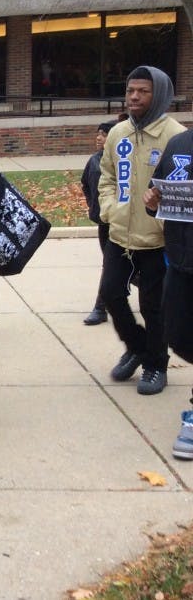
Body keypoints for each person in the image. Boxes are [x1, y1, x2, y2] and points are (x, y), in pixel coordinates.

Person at [99, 65, 185, 396]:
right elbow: (106, 176)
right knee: (110, 294)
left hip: (157, 240)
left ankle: (155, 365)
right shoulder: (117, 133)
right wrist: (109, 210)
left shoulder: (175, 136)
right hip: (119, 235)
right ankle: (137, 347)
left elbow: (183, 189)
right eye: (130, 90)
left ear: (159, 95)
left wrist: (162, 212)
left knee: (154, 307)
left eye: (143, 91)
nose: (134, 96)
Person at [144, 125, 193, 458]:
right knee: (179, 335)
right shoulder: (179, 144)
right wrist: (152, 201)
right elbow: (156, 197)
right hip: (181, 261)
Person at [80, 121, 116, 325]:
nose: (99, 137)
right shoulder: (94, 161)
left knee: (111, 264)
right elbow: (85, 183)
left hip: (119, 221)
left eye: (104, 134)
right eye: (98, 134)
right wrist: (93, 205)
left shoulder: (123, 161)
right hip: (103, 221)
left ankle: (100, 307)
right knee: (114, 264)